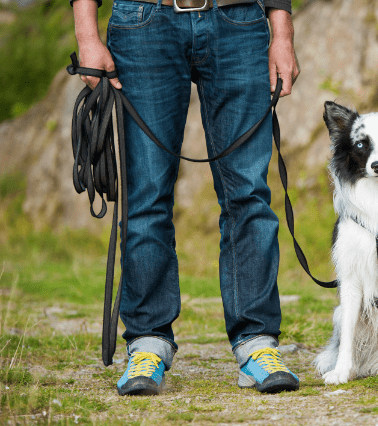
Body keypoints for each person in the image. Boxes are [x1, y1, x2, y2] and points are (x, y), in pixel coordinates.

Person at [71, 0, 300, 395]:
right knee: (146, 196)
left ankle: (257, 344)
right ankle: (147, 343)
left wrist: (282, 32)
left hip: (239, 17)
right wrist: (86, 34)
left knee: (248, 194)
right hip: (144, 21)